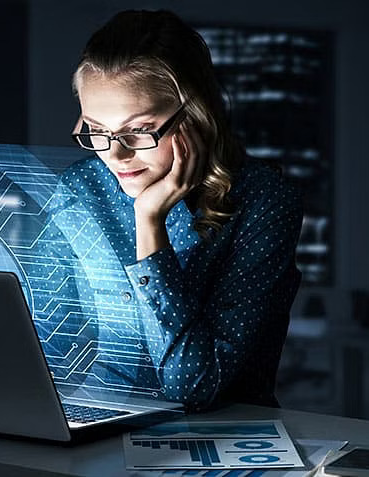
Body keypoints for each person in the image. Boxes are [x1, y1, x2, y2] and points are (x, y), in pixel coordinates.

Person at [59, 9, 303, 411]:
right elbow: (55, 346)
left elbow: (192, 386)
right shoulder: (80, 188)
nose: (116, 154)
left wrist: (149, 222)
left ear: (193, 115)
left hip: (225, 440)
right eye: (97, 131)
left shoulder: (264, 201)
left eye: (137, 131)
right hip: (95, 425)